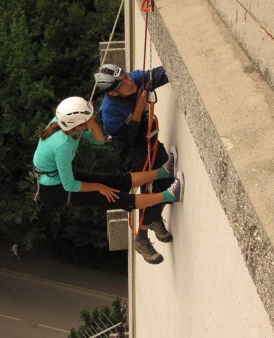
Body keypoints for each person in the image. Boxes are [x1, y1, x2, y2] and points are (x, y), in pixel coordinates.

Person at [32, 96, 183, 264]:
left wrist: (91, 120)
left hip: (58, 176)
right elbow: (70, 185)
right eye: (87, 119)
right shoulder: (62, 145)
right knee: (116, 197)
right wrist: (99, 187)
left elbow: (99, 140)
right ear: (78, 125)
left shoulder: (63, 123)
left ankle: (164, 173)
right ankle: (170, 195)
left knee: (114, 180)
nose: (92, 117)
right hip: (56, 190)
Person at [94, 64, 174, 264]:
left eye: (128, 76)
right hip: (133, 152)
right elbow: (127, 139)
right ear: (113, 91)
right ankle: (141, 238)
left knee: (166, 182)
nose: (130, 82)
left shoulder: (133, 80)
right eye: (124, 83)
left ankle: (154, 220)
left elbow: (158, 74)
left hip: (148, 138)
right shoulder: (110, 112)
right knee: (149, 191)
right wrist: (139, 107)